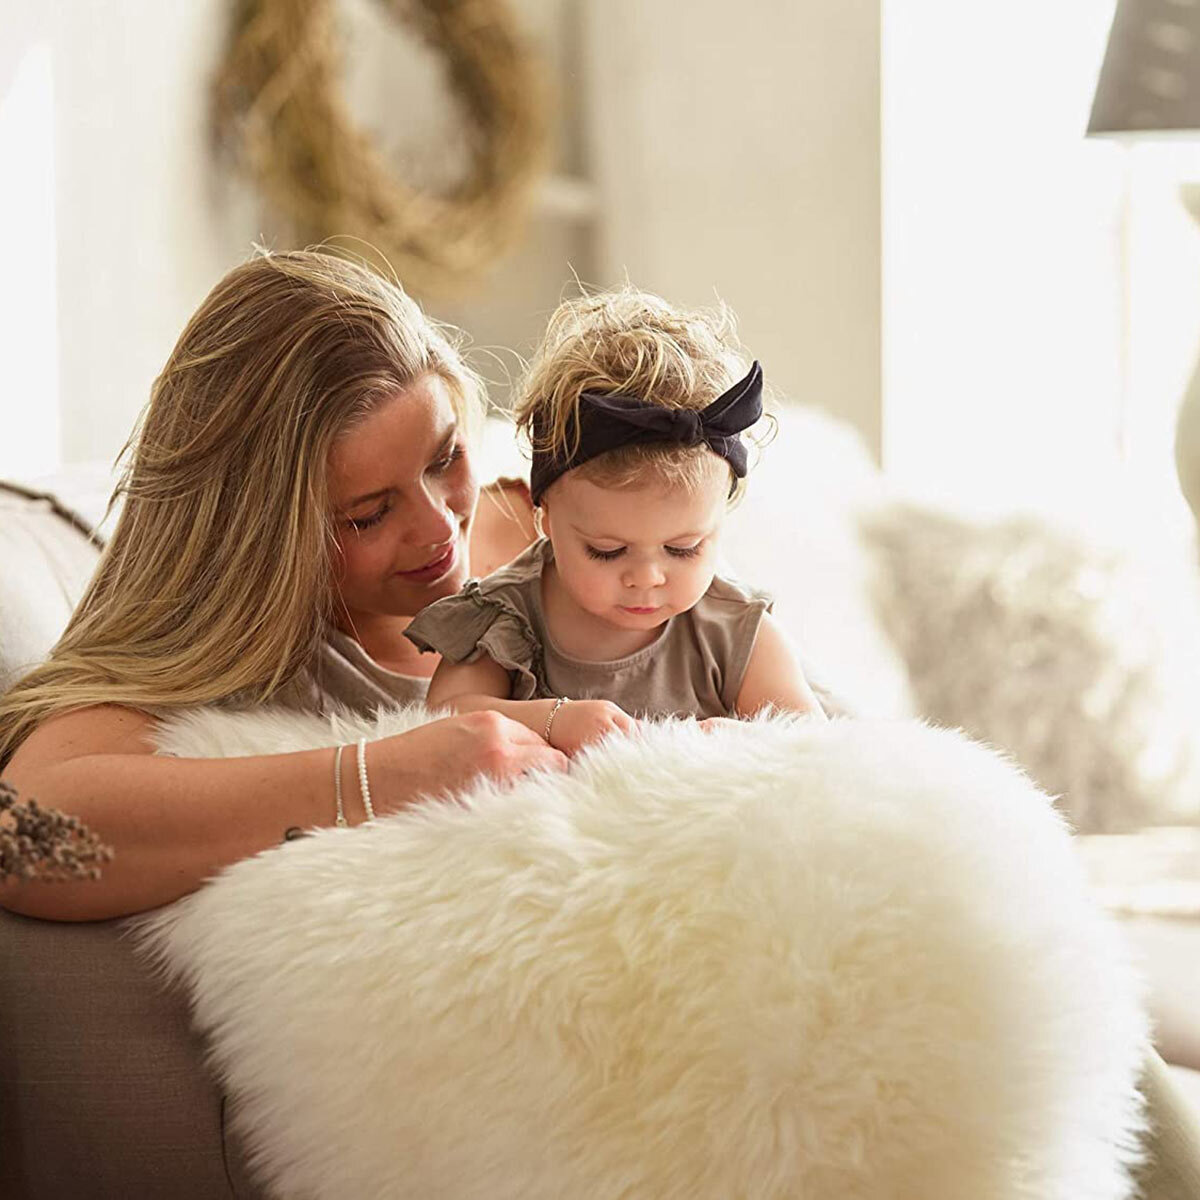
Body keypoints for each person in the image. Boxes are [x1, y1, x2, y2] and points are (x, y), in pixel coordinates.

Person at [0, 249, 566, 923]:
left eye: (446, 458)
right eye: (368, 514)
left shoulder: (557, 531)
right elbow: (22, 838)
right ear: (262, 536)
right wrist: (382, 776)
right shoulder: (255, 670)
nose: (439, 526)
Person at [404, 287, 826, 753]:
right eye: (606, 550)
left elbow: (811, 745)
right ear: (542, 517)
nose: (646, 577)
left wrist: (739, 743)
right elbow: (443, 716)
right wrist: (552, 720)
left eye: (684, 548)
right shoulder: (506, 615)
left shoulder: (731, 630)